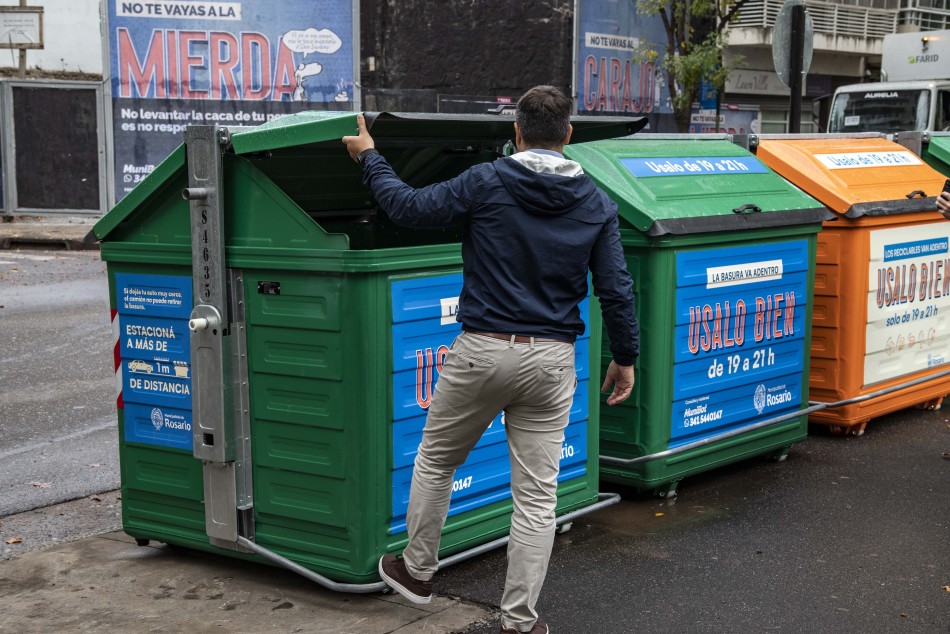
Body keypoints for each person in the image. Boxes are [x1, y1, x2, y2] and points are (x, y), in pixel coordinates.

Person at [342, 85, 639, 634]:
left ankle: (416, 571)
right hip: (552, 360)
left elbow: (407, 207)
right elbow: (616, 290)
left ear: (517, 133)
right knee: (536, 499)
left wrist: (370, 157)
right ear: (568, 135)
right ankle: (518, 622)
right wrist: (625, 358)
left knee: (436, 460)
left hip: (481, 350)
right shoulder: (596, 202)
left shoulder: (486, 181)